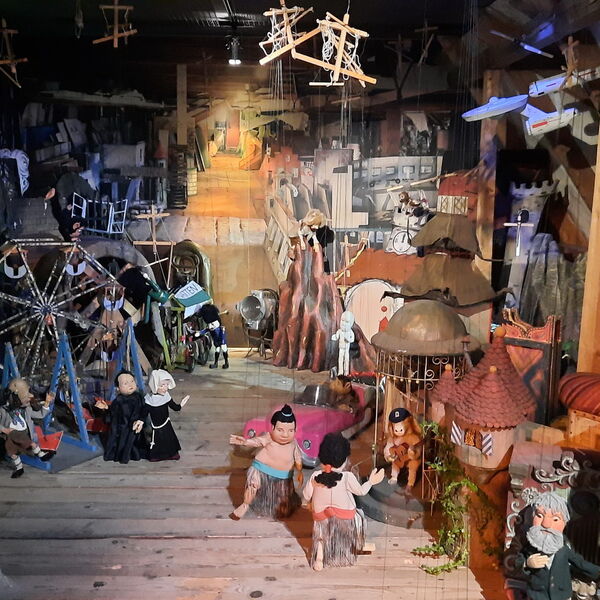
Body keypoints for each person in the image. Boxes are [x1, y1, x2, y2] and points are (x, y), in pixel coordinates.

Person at [302, 432, 385, 570]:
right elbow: (361, 491)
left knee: (321, 535)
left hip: (321, 518)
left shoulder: (315, 476)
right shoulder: (347, 477)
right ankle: (358, 543)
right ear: (345, 459)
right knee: (360, 516)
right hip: (345, 518)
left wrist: (306, 503)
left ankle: (319, 559)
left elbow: (306, 495)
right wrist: (371, 481)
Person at [516, 491, 600, 600]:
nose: (546, 524)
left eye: (555, 519)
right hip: (538, 596)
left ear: (564, 523)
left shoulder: (564, 549)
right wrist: (527, 564)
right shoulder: (529, 548)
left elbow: (580, 563)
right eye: (540, 516)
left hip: (562, 596)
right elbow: (516, 562)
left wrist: (598, 572)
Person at [229, 404, 303, 519]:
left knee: (283, 496)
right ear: (272, 428)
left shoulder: (294, 443)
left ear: (295, 430)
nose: (285, 434)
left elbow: (298, 458)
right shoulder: (268, 437)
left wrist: (299, 471)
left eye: (290, 430)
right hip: (261, 469)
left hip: (283, 476)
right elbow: (257, 441)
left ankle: (282, 507)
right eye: (280, 430)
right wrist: (245, 442)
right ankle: (245, 505)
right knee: (253, 484)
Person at [0, 379, 55, 478]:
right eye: (26, 395)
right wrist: (4, 430)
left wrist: (47, 402)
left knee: (27, 443)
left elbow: (40, 415)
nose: (30, 396)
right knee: (13, 453)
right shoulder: (3, 411)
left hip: (24, 435)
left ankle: (41, 455)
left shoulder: (27, 409)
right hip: (11, 437)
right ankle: (20, 468)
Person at [95, 371, 148, 464]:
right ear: (118, 388)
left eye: (132, 381)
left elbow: (144, 409)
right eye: (125, 383)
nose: (130, 385)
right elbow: (113, 414)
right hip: (124, 428)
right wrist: (106, 408)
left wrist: (141, 420)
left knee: (137, 443)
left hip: (137, 426)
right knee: (124, 442)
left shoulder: (139, 397)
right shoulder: (118, 400)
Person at [144, 369, 189, 462]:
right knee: (157, 440)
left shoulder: (166, 396)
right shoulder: (149, 400)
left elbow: (174, 407)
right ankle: (156, 456)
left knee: (169, 439)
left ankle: (172, 454)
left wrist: (180, 405)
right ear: (154, 385)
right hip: (156, 426)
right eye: (162, 385)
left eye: (167, 385)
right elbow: (144, 413)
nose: (165, 388)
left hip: (166, 423)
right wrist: (140, 421)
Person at [198, 303, 229, 369]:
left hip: (221, 341)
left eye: (212, 324)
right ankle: (216, 363)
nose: (210, 326)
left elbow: (222, 336)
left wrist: (221, 343)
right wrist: (199, 333)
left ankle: (226, 362)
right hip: (216, 341)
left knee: (224, 349)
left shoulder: (221, 329)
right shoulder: (211, 327)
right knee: (217, 350)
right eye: (208, 324)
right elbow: (206, 330)